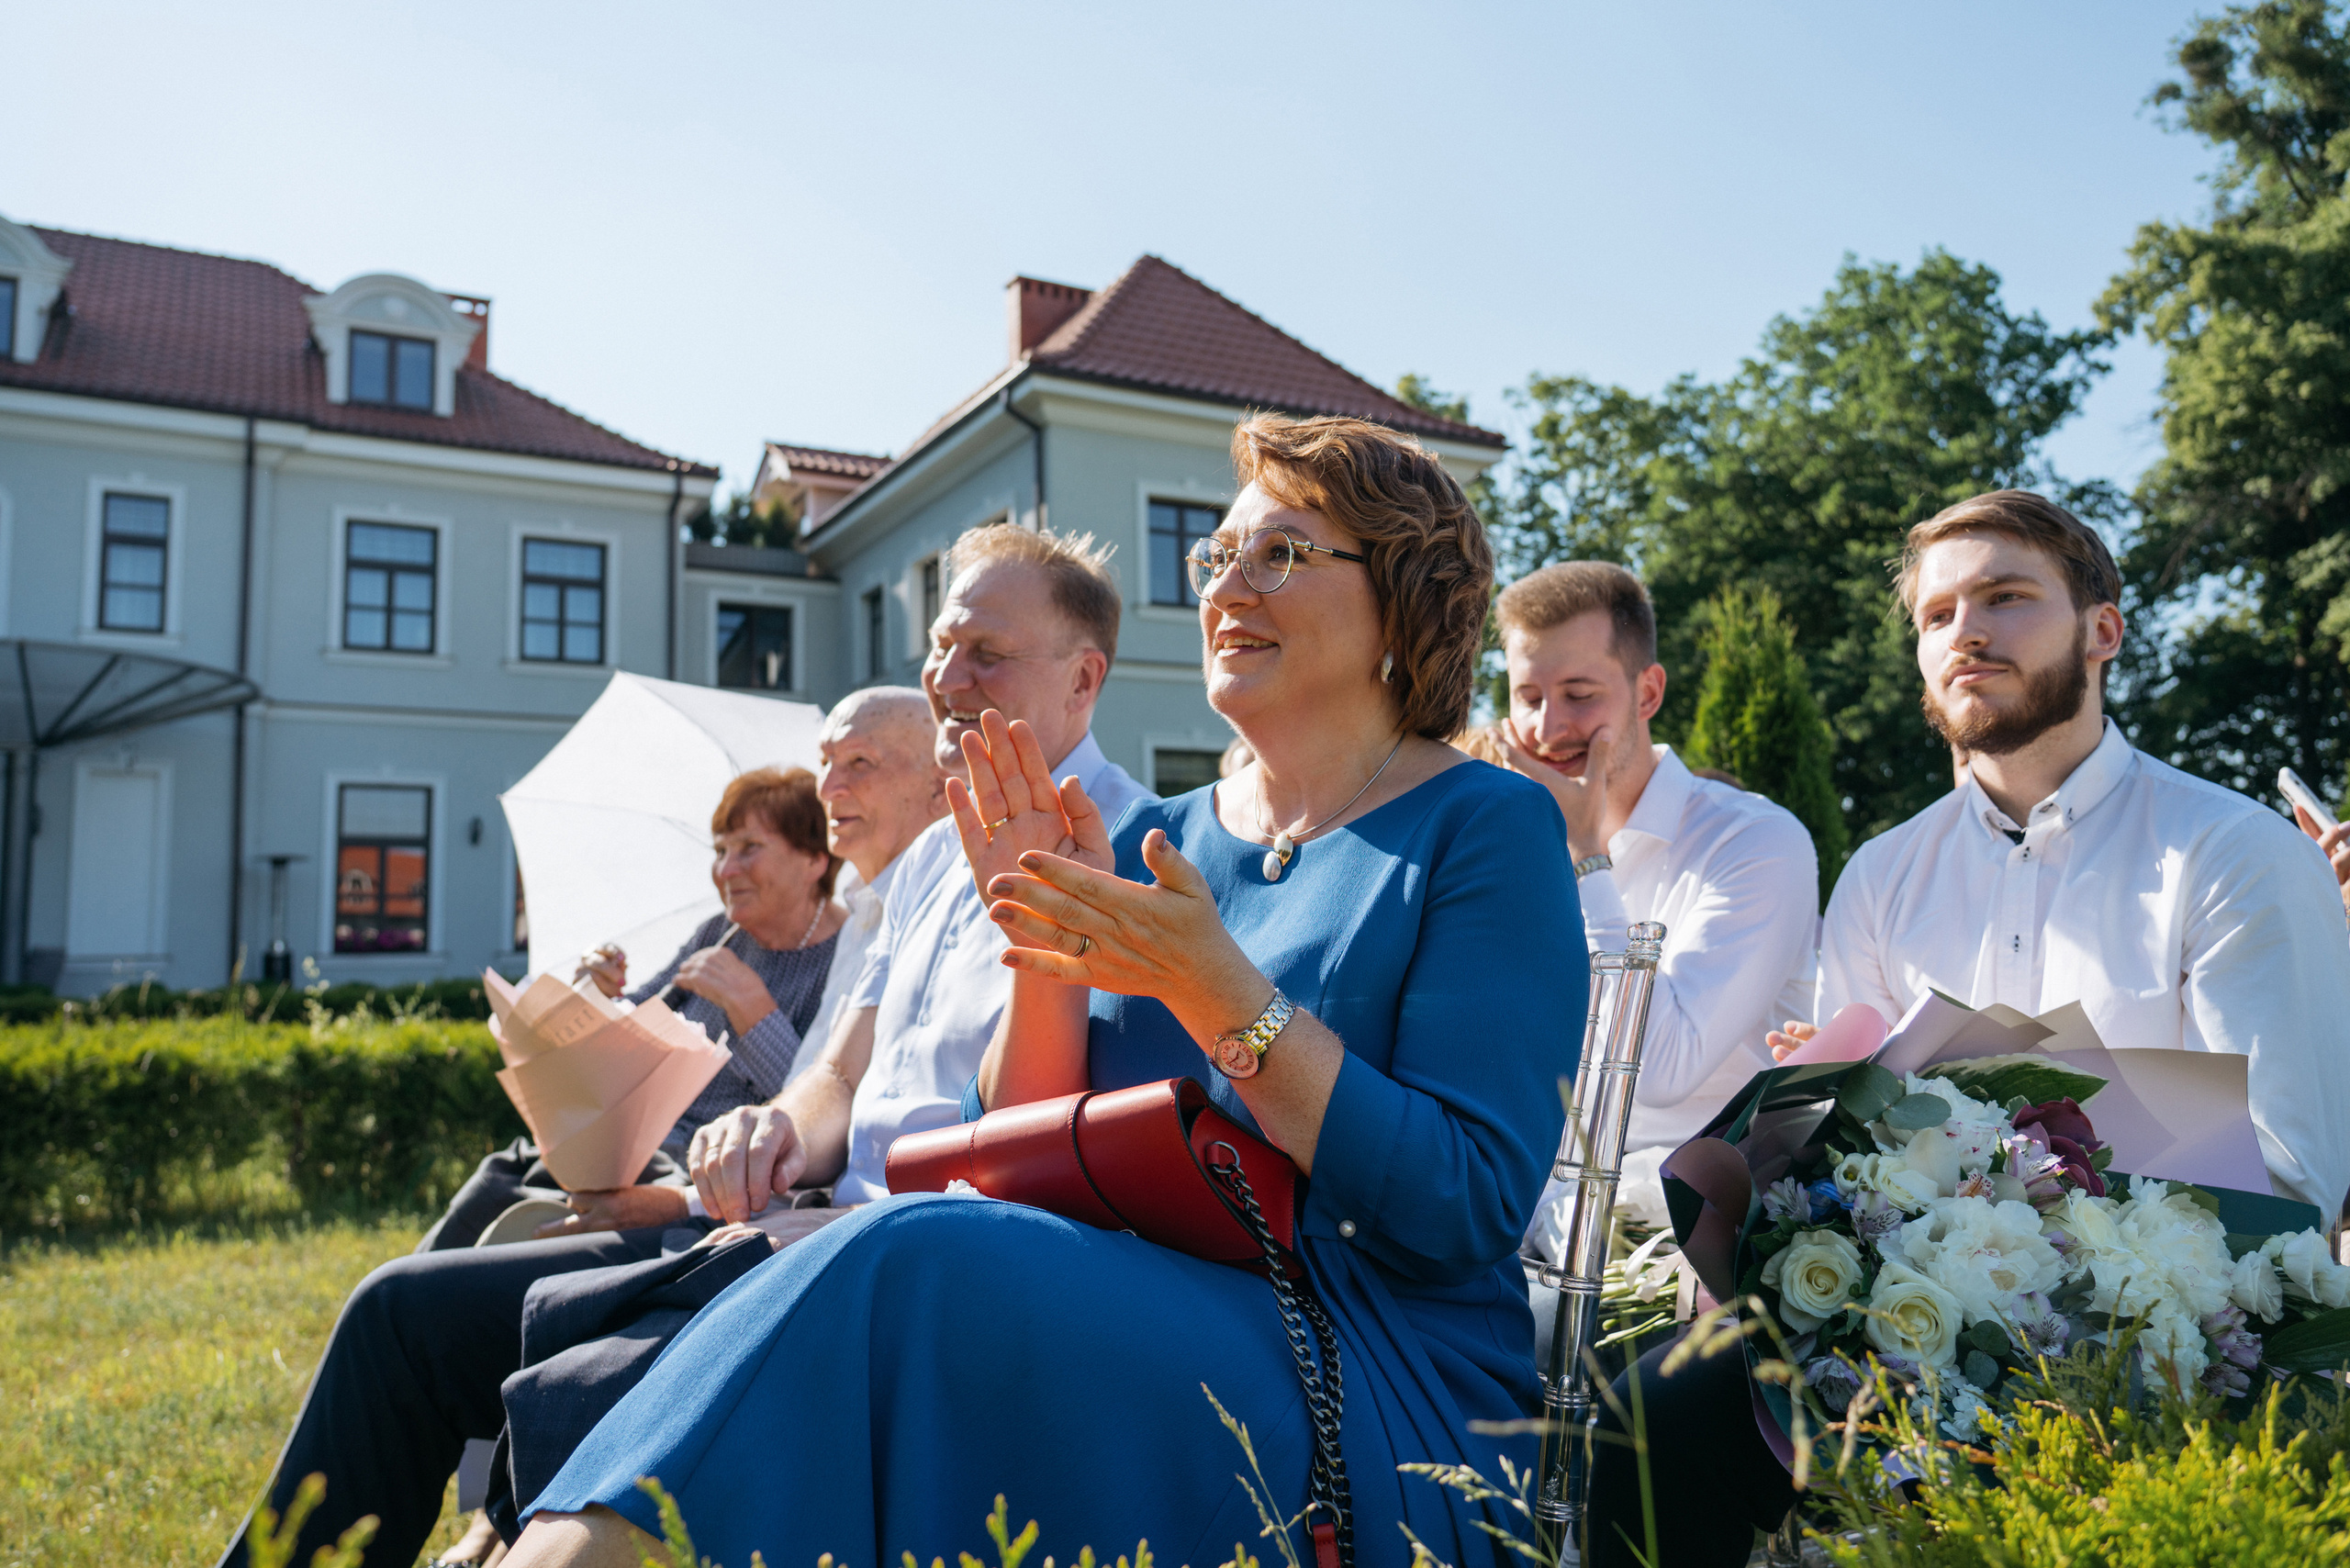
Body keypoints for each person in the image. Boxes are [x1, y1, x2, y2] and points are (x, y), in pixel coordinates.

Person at [502, 415, 1583, 1568]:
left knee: (903, 1261)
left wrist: (1218, 990)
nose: (1227, 587)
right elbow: (1012, 1155)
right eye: (1216, 558)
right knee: (913, 1248)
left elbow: (1462, 1203)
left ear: (1404, 596)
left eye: (1279, 555)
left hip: (1370, 1371)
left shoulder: (1485, 824)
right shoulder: (1157, 835)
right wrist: (1037, 942)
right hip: (1124, 1308)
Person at [1590, 489, 2350, 1568]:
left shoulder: (2232, 856)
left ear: (2102, 630)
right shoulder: (1884, 873)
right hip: (1887, 1325)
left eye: (2004, 597)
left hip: (2152, 1347)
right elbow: (1839, 1141)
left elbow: (2290, 1181)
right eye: (1937, 615)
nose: (1966, 633)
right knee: (1650, 1416)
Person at [469, 523, 1153, 1542]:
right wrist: (775, 1130)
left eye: (986, 654)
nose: (947, 676)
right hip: (806, 1220)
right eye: (939, 646)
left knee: (556, 1363)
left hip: (908, 1263)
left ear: (1082, 679)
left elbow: (1058, 1139)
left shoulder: (1135, 852)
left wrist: (837, 1215)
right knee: (465, 1317)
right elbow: (839, 1070)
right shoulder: (923, 864)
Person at [218, 720, 943, 1568]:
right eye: (720, 851)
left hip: (702, 1179)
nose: (728, 871)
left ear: (812, 860)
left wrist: (755, 1016)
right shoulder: (720, 935)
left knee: (444, 1288)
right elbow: (635, 1020)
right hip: (636, 1146)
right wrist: (592, 998)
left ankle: (479, 1494)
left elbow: (813, 1100)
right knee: (495, 1185)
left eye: (749, 850)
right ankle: (432, 1432)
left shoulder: (840, 954)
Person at [1469, 562, 1817, 1259]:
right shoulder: (1507, 846)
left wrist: (1587, 859)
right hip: (1528, 1237)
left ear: (1647, 692)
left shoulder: (1756, 841)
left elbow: (1661, 1069)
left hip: (1691, 1253)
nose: (1547, 726)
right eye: (1528, 695)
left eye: (1579, 694)